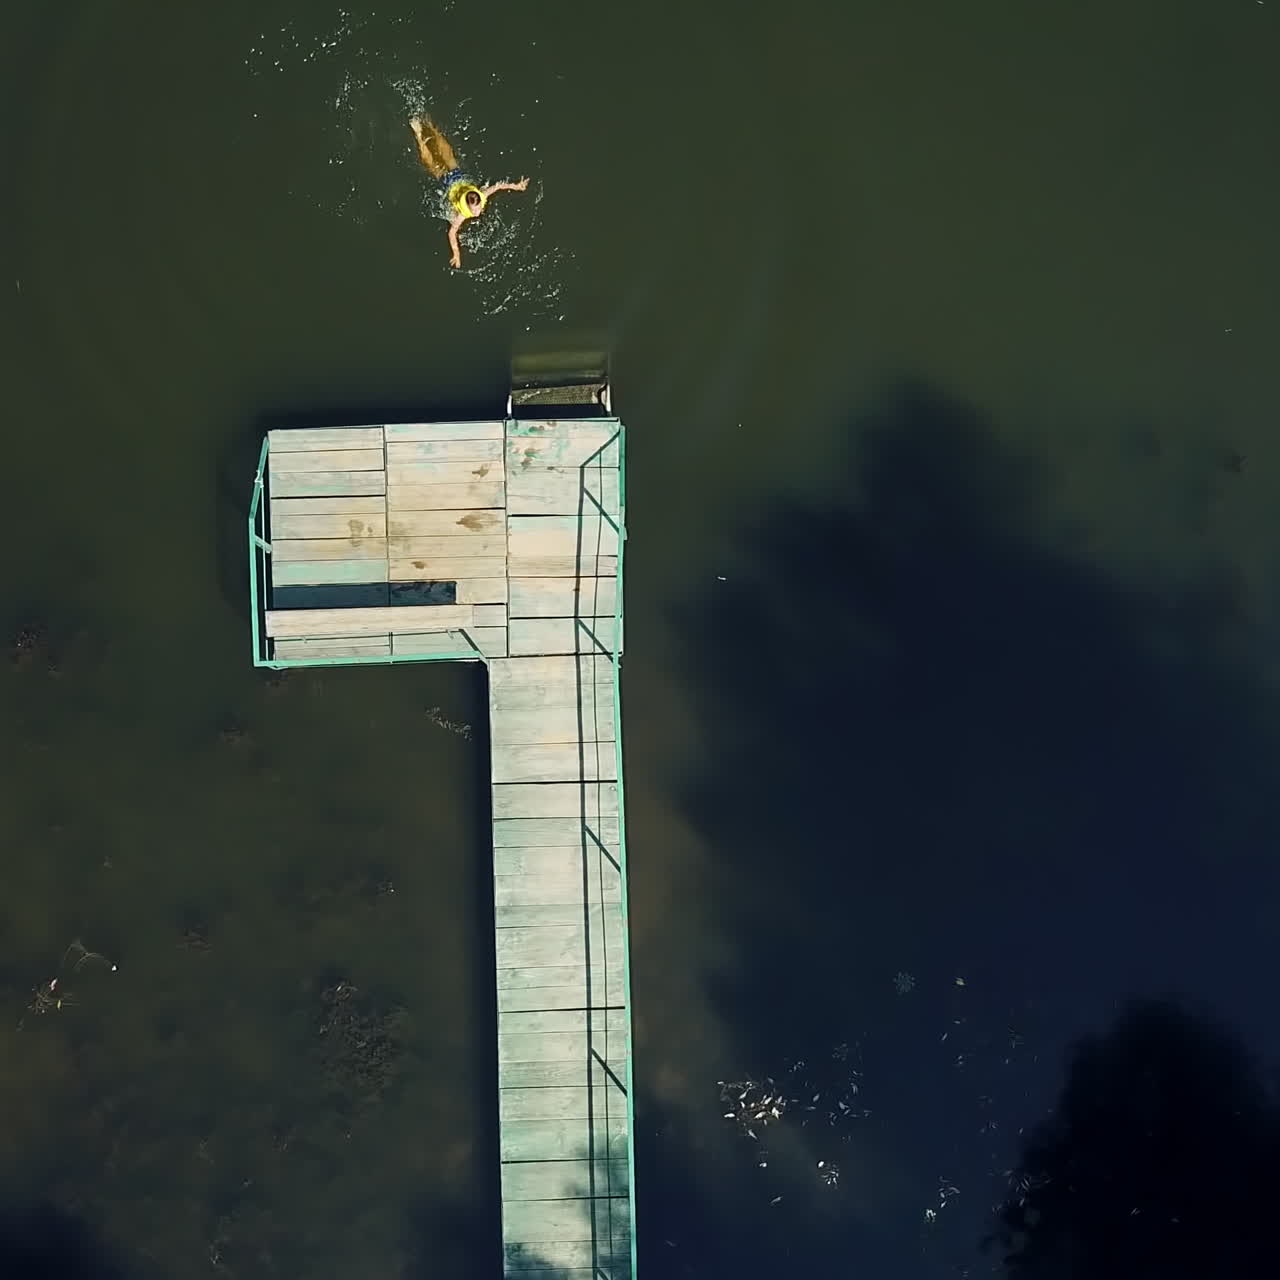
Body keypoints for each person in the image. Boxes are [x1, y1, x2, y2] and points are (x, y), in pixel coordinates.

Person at [409, 116, 530, 269]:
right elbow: (451, 233)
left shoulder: (482, 195)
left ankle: (430, 125)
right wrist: (456, 254)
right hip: (448, 182)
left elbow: (498, 186)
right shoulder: (462, 214)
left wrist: (516, 186)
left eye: (478, 207)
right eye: (475, 210)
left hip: (457, 176)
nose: (478, 211)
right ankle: (419, 135)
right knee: (430, 163)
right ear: (466, 205)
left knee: (447, 153)